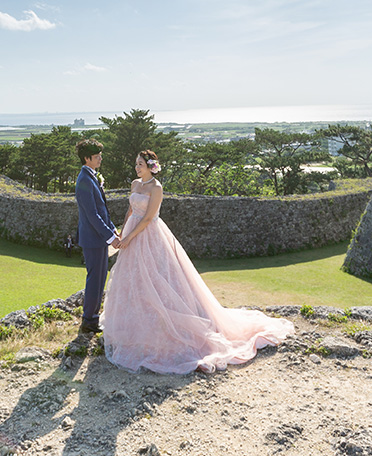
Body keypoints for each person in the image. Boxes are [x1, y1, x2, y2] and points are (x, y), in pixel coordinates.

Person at [102, 149, 294, 374]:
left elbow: (148, 218)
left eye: (141, 164)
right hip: (131, 234)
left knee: (159, 278)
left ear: (151, 166)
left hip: (149, 235)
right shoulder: (135, 184)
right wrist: (122, 234)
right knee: (132, 279)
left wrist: (130, 238)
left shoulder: (156, 188)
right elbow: (130, 211)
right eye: (136, 163)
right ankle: (132, 327)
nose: (137, 167)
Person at [74, 137, 120, 334]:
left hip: (99, 238)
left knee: (100, 278)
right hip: (93, 239)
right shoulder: (84, 180)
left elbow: (103, 210)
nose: (100, 158)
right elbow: (92, 215)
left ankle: (92, 316)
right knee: (95, 279)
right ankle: (89, 320)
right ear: (86, 158)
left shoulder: (91, 176)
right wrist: (111, 238)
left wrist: (112, 229)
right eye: (96, 156)